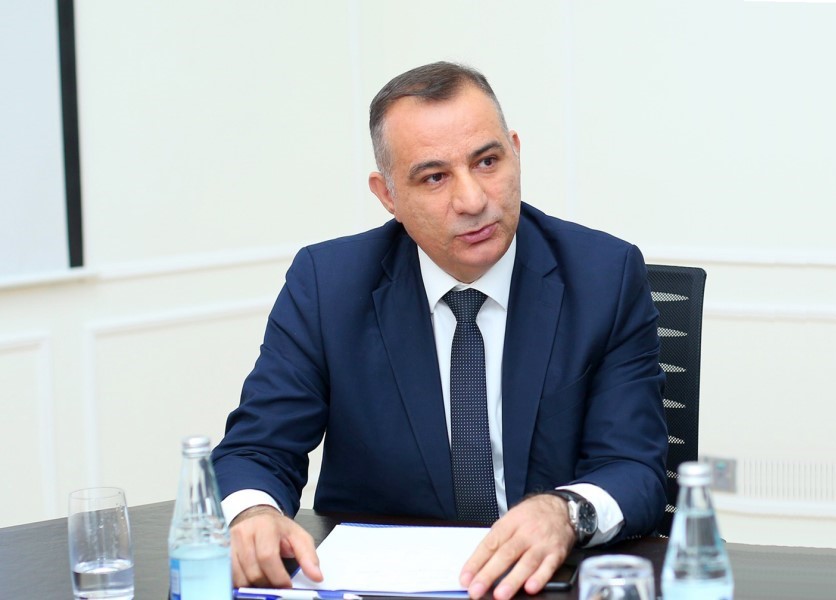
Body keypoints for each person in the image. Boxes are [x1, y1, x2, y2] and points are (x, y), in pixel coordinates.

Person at [212, 61, 667, 600]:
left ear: (516, 152)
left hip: (543, 584)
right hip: (376, 591)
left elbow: (635, 468)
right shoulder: (327, 285)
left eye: (488, 162)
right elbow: (256, 449)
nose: (473, 200)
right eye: (434, 177)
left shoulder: (603, 276)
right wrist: (254, 513)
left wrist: (565, 512)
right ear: (387, 195)